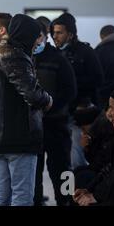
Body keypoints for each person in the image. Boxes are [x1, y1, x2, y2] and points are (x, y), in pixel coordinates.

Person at [0, 14, 53, 206]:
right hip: (18, 137)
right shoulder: (14, 56)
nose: (38, 41)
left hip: (0, 137)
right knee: (22, 196)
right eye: (36, 36)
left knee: (2, 194)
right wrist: (48, 100)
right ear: (27, 35)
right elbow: (32, 94)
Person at [51, 13, 104, 169]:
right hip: (59, 114)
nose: (55, 36)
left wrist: (72, 83)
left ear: (71, 34)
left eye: (59, 32)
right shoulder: (55, 54)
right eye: (54, 33)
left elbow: (98, 79)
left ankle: (78, 189)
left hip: (81, 113)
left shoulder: (86, 52)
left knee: (77, 158)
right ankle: (68, 191)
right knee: (62, 160)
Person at [32, 21, 77, 206]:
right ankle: (36, 202)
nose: (35, 41)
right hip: (33, 127)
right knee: (34, 172)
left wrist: (52, 106)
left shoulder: (58, 58)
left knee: (63, 169)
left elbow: (70, 90)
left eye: (38, 36)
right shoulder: (25, 58)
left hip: (56, 124)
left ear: (45, 36)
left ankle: (67, 201)